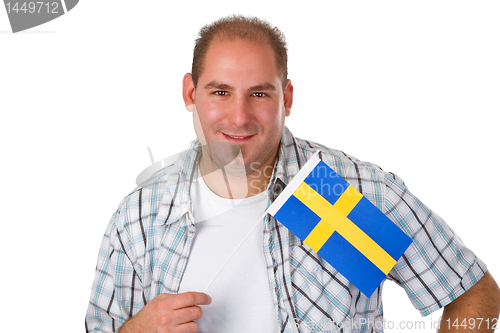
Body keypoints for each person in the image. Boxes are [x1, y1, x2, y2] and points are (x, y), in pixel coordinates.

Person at [85, 15, 500, 333]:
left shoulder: (345, 192)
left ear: (286, 97)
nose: (240, 116)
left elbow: (472, 291)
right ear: (191, 94)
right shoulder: (141, 216)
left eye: (260, 94)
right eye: (220, 92)